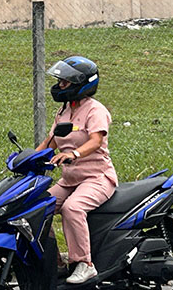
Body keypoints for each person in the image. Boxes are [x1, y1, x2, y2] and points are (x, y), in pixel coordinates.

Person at [36, 56, 118, 285]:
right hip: (70, 180)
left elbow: (95, 141)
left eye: (65, 82)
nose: (59, 86)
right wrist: (27, 159)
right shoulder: (63, 112)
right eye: (59, 81)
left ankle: (84, 264)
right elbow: (50, 142)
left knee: (73, 208)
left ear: (81, 84)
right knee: (37, 210)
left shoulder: (95, 110)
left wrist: (74, 153)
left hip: (97, 178)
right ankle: (55, 264)